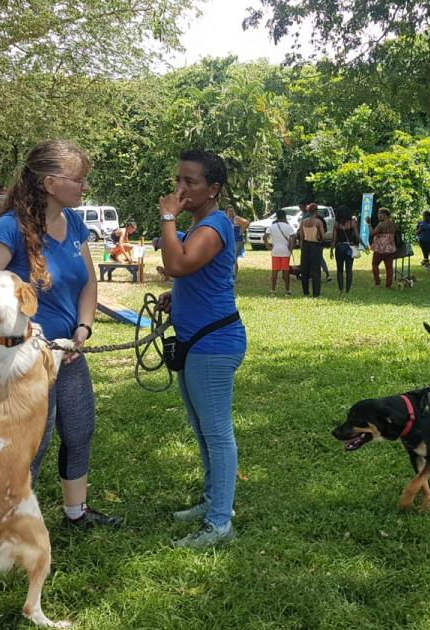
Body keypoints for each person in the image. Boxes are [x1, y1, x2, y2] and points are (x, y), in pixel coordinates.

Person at [0, 139, 122, 529]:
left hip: (68, 351)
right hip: (25, 362)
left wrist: (84, 327)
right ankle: (6, 523)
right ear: (51, 183)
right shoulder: (9, 228)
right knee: (32, 441)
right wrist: (12, 341)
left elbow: (87, 282)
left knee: (79, 428)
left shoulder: (72, 224)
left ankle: (76, 512)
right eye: (79, 179)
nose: (84, 186)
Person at [156, 149, 246, 548]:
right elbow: (190, 275)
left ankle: (219, 523)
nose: (180, 189)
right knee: (202, 431)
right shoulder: (198, 226)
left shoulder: (211, 227)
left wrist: (167, 217)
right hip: (197, 340)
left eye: (190, 182)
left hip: (214, 343)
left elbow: (178, 265)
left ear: (213, 189)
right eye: (178, 180)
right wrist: (177, 298)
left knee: (217, 433)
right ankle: (213, 503)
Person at [297, 203, 327, 296]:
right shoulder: (318, 222)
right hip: (315, 246)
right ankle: (316, 293)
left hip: (305, 245)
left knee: (305, 269)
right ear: (316, 211)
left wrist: (302, 247)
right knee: (315, 270)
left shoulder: (303, 222)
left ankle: (305, 291)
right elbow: (323, 236)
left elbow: (301, 237)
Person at [265, 209, 296, 296]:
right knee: (286, 271)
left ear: (277, 217)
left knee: (274, 271)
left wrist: (268, 246)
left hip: (275, 250)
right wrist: (291, 247)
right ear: (285, 216)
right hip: (285, 250)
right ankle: (287, 290)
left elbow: (265, 236)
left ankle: (273, 290)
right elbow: (294, 237)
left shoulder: (272, 226)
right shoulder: (288, 226)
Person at [331, 206, 360, 293]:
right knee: (349, 270)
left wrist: (331, 251)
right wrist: (364, 245)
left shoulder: (337, 224)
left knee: (339, 270)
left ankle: (341, 289)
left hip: (339, 247)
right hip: (349, 248)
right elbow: (357, 236)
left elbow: (334, 239)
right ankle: (348, 289)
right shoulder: (352, 223)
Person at [370, 208, 398, 288]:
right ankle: (388, 285)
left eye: (379, 214)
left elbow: (372, 233)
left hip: (380, 249)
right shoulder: (394, 224)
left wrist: (369, 224)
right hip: (390, 249)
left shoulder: (381, 224)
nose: (378, 216)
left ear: (384, 215)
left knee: (375, 264)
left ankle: (377, 283)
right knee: (389, 268)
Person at [224, 204, 250, 270]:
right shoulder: (226, 219)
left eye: (232, 211)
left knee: (233, 258)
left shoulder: (236, 218)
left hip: (237, 241)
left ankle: (234, 277)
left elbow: (247, 222)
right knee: (230, 258)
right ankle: (232, 275)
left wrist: (242, 231)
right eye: (229, 211)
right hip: (230, 242)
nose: (231, 212)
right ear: (226, 212)